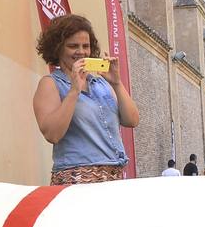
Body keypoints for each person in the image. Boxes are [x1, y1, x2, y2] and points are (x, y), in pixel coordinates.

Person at [32, 14, 139, 185]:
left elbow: (132, 120)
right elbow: (52, 134)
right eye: (73, 46)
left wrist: (117, 83)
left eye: (86, 46)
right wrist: (74, 90)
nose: (81, 52)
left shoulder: (101, 83)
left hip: (114, 176)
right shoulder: (50, 84)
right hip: (76, 178)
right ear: (58, 48)